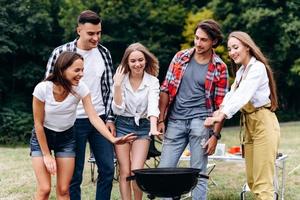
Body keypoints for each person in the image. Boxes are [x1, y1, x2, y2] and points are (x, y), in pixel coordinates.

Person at [31, 52, 135, 200]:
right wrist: (47, 155)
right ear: (62, 70)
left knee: (63, 190)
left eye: (82, 70)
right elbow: (38, 124)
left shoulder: (80, 88)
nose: (81, 74)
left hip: (66, 138)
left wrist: (112, 139)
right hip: (42, 137)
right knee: (45, 189)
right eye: (77, 70)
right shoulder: (43, 89)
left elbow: (93, 117)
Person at [45, 10, 116, 200]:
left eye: (99, 33)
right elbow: (49, 89)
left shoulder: (104, 53)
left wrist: (110, 117)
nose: (96, 37)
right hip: (71, 121)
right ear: (79, 30)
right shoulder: (61, 53)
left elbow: (109, 88)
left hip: (99, 119)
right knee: (74, 175)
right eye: (91, 33)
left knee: (108, 169)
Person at [157, 19, 229, 200]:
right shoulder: (180, 57)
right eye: (196, 38)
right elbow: (165, 89)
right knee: (164, 171)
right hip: (175, 121)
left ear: (214, 41)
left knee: (199, 173)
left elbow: (222, 106)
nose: (198, 43)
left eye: (203, 40)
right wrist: (160, 119)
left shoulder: (220, 67)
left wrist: (215, 136)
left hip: (201, 123)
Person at [204, 31, 280, 200]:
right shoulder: (241, 73)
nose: (232, 52)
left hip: (263, 124)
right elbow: (232, 95)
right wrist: (219, 110)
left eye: (235, 47)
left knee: (262, 184)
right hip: (249, 126)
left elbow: (243, 95)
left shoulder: (257, 68)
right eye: (230, 49)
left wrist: (222, 114)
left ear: (247, 46)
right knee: (253, 182)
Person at [112, 42, 162, 200]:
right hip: (123, 125)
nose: (137, 64)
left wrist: (153, 128)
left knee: (136, 171)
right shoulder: (121, 80)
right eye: (133, 61)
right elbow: (118, 109)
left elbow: (153, 106)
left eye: (140, 60)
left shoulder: (152, 81)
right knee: (125, 171)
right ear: (127, 62)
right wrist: (117, 85)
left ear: (146, 60)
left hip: (143, 127)